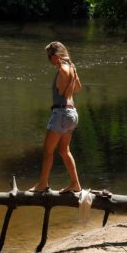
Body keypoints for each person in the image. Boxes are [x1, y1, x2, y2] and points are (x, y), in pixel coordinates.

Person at [29, 41, 83, 194]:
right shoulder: (72, 68)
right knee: (64, 150)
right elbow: (78, 88)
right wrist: (70, 76)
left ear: (56, 55)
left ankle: (43, 184)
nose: (49, 60)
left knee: (48, 151)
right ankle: (75, 184)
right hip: (72, 114)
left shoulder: (64, 69)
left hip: (61, 113)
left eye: (49, 56)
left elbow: (66, 78)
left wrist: (62, 70)